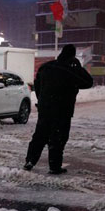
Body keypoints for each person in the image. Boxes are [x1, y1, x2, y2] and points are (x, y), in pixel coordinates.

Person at [24, 44, 93, 174]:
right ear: (72, 56)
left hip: (45, 109)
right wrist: (78, 67)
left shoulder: (46, 67)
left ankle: (30, 161)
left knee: (40, 136)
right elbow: (88, 82)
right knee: (58, 138)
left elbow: (37, 86)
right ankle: (54, 167)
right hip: (63, 110)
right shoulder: (72, 69)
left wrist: (42, 100)